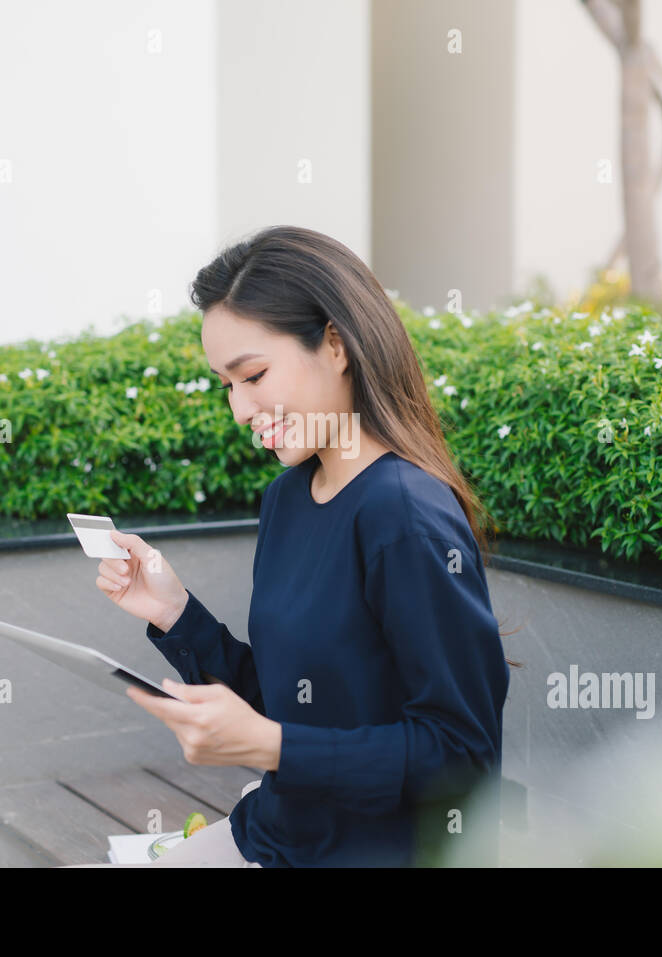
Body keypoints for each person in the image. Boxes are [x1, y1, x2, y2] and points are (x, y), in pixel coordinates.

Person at [94, 225, 519, 867]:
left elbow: (462, 756)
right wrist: (174, 612)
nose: (239, 408)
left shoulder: (405, 516)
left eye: (254, 374)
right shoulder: (288, 498)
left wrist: (275, 748)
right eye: (226, 385)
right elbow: (285, 705)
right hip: (272, 837)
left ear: (337, 344)